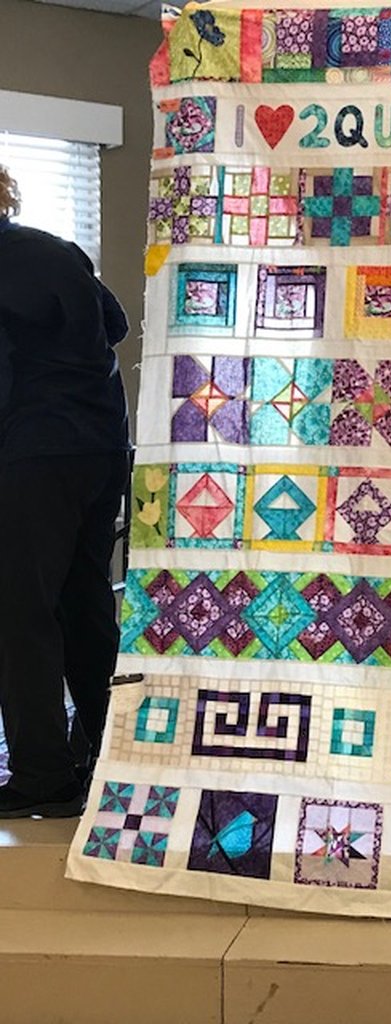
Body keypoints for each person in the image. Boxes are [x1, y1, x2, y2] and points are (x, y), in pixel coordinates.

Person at [0, 165, 131, 818]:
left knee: (19, 613)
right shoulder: (53, 249)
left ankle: (42, 775)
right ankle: (111, 755)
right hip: (101, 447)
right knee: (85, 601)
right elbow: (117, 324)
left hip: (34, 454)